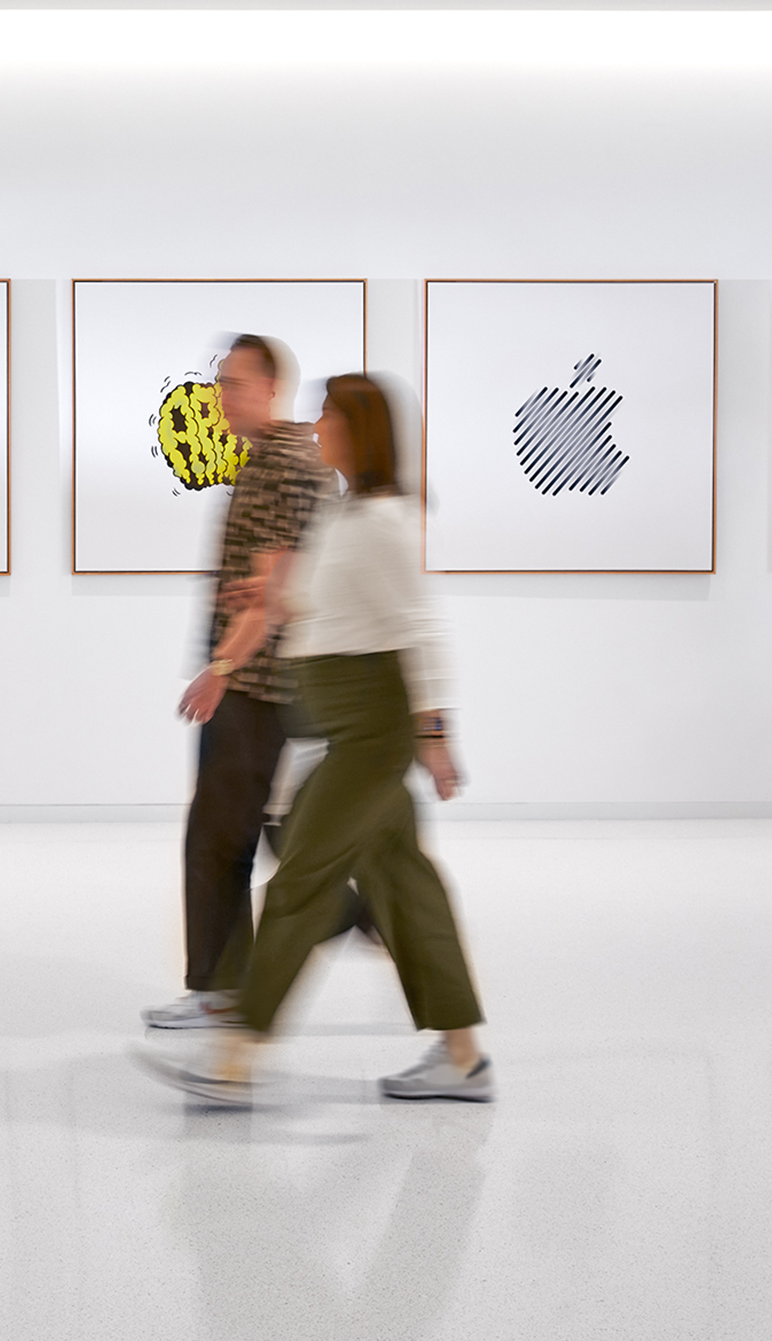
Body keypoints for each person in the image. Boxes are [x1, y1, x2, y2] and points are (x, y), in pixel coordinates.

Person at [147, 373, 493, 1105]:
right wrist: (268, 595)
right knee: (407, 884)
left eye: (328, 412)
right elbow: (324, 602)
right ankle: (462, 1055)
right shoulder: (345, 513)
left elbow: (420, 628)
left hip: (372, 733)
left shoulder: (385, 522)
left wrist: (432, 734)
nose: (316, 423)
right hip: (344, 727)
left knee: (301, 877)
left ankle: (237, 1057)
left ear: (358, 428)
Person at [144, 335, 332, 1030]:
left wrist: (221, 669)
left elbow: (273, 585)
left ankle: (221, 990)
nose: (221, 395)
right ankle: (365, 908)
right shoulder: (262, 461)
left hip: (258, 684)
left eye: (235, 382)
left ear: (273, 387)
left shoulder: (286, 464)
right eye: (219, 381)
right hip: (258, 681)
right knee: (251, 835)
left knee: (218, 840)